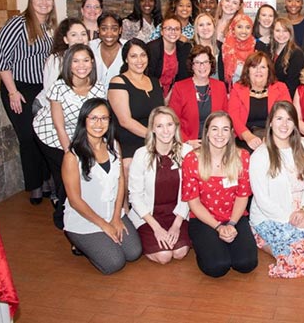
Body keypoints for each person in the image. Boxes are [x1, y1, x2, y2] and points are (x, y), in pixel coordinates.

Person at [249, 102, 304, 278]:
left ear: (295, 124)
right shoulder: (260, 155)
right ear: (271, 122)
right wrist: (290, 218)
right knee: (299, 258)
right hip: (271, 216)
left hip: (301, 212)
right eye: (279, 118)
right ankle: (264, 240)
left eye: (289, 119)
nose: (284, 124)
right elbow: (262, 199)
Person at [62, 98, 142, 274]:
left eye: (104, 118)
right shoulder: (72, 157)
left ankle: (104, 240)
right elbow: (75, 200)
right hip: (85, 220)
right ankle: (81, 244)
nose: (99, 124)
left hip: (112, 213)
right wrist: (104, 225)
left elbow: (121, 180)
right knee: (114, 263)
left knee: (134, 252)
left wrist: (115, 218)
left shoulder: (113, 145)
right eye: (93, 118)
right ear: (84, 120)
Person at [0, 0, 57, 204]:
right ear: (31, 1)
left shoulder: (49, 25)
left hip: (42, 89)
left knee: (43, 135)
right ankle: (35, 185)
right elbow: (0, 59)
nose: (44, 3)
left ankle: (47, 179)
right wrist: (12, 92)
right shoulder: (17, 24)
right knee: (28, 137)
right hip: (19, 88)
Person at [33, 44, 106, 228]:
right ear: (68, 64)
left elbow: (98, 120)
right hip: (49, 134)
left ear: (92, 63)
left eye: (86, 60)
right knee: (67, 176)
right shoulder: (59, 87)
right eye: (76, 61)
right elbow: (59, 125)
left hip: (78, 134)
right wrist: (69, 154)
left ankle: (78, 211)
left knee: (80, 176)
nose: (81, 65)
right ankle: (63, 219)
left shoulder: (98, 88)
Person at [181, 111, 258, 277]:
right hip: (204, 219)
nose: (220, 135)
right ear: (207, 132)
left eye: (225, 129)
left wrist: (231, 224)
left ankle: (222, 243)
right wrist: (217, 227)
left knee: (246, 264)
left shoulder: (242, 157)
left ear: (231, 133)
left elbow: (242, 196)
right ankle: (205, 245)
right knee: (217, 267)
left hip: (234, 216)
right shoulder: (192, 159)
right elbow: (193, 203)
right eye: (214, 129)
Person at [128, 107, 193, 264]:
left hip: (177, 213)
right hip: (148, 215)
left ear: (176, 126)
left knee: (180, 252)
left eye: (169, 125)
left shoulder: (187, 152)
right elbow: (135, 196)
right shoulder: (141, 154)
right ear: (152, 129)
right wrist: (156, 228)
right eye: (159, 126)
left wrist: (177, 225)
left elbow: (189, 191)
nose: (165, 131)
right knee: (164, 257)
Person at [108, 39, 164, 177]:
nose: (139, 60)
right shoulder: (118, 82)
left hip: (155, 136)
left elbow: (161, 113)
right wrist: (154, 136)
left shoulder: (155, 82)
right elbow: (125, 121)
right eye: (133, 56)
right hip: (129, 139)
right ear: (126, 59)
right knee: (129, 166)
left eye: (143, 55)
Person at [227, 51, 291, 152]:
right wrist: (248, 137)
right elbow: (233, 117)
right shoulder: (237, 88)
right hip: (245, 138)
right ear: (248, 70)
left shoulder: (280, 88)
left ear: (269, 70)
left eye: (262, 67)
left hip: (275, 136)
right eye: (254, 67)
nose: (258, 71)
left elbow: (287, 116)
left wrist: (272, 137)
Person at [168, 45, 228, 148]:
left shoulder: (220, 86)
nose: (202, 66)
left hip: (217, 143)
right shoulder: (180, 87)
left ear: (211, 64)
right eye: (197, 63)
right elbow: (172, 121)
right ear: (192, 65)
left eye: (205, 62)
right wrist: (187, 142)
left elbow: (226, 119)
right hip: (189, 144)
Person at [35, 17, 89, 112]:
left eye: (83, 34)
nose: (80, 38)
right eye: (74, 35)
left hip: (75, 108)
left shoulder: (90, 58)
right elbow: (51, 91)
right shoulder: (56, 60)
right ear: (66, 40)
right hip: (48, 107)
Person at [146, 15, 191, 98]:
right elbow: (148, 77)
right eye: (169, 28)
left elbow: (183, 77)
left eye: (177, 29)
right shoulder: (152, 49)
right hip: (152, 93)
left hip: (174, 93)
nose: (173, 32)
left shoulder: (184, 48)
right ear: (162, 31)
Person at [271, 17, 304, 97]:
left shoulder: (296, 53)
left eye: (285, 31)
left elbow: (293, 84)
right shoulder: (269, 50)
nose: (281, 34)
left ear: (290, 33)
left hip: (286, 98)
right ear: (272, 32)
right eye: (277, 31)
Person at [90, 12, 125, 90]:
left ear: (120, 30)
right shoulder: (90, 48)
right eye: (104, 29)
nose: (109, 34)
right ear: (98, 29)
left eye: (114, 29)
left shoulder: (128, 48)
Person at [222, 13, 256, 87]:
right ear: (233, 29)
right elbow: (222, 76)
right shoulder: (226, 47)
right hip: (231, 91)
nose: (244, 31)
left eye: (248, 27)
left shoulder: (257, 46)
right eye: (239, 27)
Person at [193, 12, 224, 83]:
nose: (205, 28)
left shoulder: (221, 46)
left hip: (218, 88)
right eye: (201, 25)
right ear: (196, 29)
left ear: (214, 27)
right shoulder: (189, 47)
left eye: (208, 24)